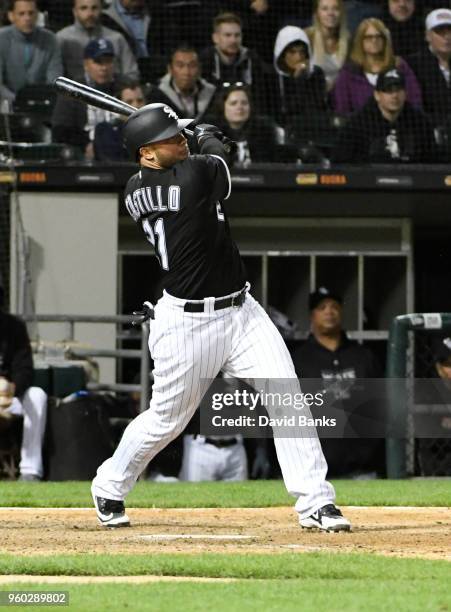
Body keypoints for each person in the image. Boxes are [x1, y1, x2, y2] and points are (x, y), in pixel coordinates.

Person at [90, 102, 351, 533]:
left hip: (241, 312)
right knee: (166, 420)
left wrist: (183, 135)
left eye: (178, 136)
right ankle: (110, 483)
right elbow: (217, 161)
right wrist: (204, 133)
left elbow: (194, 158)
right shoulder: (191, 177)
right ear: (146, 154)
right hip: (187, 324)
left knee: (287, 397)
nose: (177, 142)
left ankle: (316, 504)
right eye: (167, 140)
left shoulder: (137, 185)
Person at [293, 287, 384, 478]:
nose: (329, 311)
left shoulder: (363, 356)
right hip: (315, 467)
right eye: (322, 307)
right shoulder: (298, 359)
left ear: (341, 312)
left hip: (362, 466)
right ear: (312, 315)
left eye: (334, 306)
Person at [332, 68, 438, 163]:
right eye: (388, 90)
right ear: (377, 95)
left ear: (405, 94)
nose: (394, 96)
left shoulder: (419, 123)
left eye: (398, 90)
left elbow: (432, 161)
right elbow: (341, 163)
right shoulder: (357, 124)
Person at [0, 285, 47, 481]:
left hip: (10, 398)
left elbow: (26, 370)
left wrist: (12, 387)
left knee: (37, 395)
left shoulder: (13, 327)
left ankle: (30, 470)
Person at [332, 17, 422, 116]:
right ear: (360, 41)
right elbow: (342, 108)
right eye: (369, 37)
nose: (374, 40)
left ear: (385, 40)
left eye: (378, 36)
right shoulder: (349, 72)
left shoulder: (399, 66)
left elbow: (415, 99)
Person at [52, 38, 118, 159]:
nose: (104, 68)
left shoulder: (123, 87)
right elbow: (60, 130)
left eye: (108, 62)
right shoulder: (72, 92)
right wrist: (85, 145)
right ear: (86, 64)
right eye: (98, 62)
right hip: (82, 154)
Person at [199, 12, 269, 111]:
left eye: (237, 35)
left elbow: (260, 97)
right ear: (215, 38)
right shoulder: (204, 60)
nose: (233, 40)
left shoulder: (252, 59)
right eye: (227, 35)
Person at [273, 25, 330, 144]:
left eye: (302, 52)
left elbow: (316, 108)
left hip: (313, 133)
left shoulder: (316, 74)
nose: (298, 57)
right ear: (282, 54)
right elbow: (286, 111)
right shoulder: (272, 77)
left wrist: (301, 80)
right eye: (292, 52)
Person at [57, 0, 139, 82]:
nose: (90, 13)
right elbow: (57, 77)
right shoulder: (62, 39)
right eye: (83, 8)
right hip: (74, 92)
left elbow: (132, 73)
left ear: (101, 10)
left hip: (114, 91)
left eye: (94, 8)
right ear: (74, 11)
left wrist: (126, 87)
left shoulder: (117, 38)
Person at [0, 0, 62, 102]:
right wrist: (18, 99)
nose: (27, 18)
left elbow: (54, 79)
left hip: (43, 103)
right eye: (21, 14)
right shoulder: (1, 39)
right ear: (11, 16)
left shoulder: (50, 39)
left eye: (31, 13)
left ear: (37, 14)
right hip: (6, 105)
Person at [208, 82, 279, 165]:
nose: (239, 107)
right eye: (233, 103)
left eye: (244, 103)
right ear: (223, 107)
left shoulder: (264, 133)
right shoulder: (212, 135)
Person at [147, 46, 216, 124]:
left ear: (199, 69)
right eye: (180, 65)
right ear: (170, 69)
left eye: (192, 65)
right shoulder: (157, 97)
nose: (186, 72)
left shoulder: (213, 95)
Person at [407, 8, 451, 129]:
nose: (447, 37)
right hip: (428, 133)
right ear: (427, 36)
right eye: (440, 31)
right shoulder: (413, 65)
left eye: (450, 31)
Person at [94, 77, 145, 161]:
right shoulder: (105, 131)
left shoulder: (157, 131)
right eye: (129, 102)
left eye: (140, 101)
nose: (136, 106)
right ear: (118, 106)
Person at [305, 0, 350, 91]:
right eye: (325, 9)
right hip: (311, 93)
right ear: (317, 13)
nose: (330, 13)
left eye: (335, 9)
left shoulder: (348, 40)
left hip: (338, 94)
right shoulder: (307, 37)